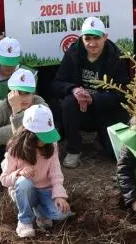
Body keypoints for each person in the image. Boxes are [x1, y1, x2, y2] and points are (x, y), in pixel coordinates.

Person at [51, 17, 129, 168]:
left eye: (96, 38)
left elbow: (121, 93)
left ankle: (102, 138)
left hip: (106, 110)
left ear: (105, 37)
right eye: (87, 38)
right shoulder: (73, 53)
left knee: (117, 156)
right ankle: (74, 149)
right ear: (82, 38)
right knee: (68, 102)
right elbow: (57, 83)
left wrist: (94, 99)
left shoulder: (116, 57)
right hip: (80, 110)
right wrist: (73, 89)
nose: (92, 43)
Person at [0, 104, 71, 238]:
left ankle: (40, 211)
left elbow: (56, 173)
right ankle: (25, 221)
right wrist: (19, 173)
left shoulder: (52, 145)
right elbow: (4, 179)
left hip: (46, 190)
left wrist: (59, 195)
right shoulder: (15, 149)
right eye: (43, 136)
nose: (47, 140)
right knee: (24, 183)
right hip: (25, 191)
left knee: (62, 214)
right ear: (30, 133)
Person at [0, 68, 45, 161]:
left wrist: (17, 117)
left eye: (27, 93)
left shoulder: (39, 104)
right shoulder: (3, 107)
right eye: (18, 93)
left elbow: (41, 134)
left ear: (33, 94)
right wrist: (17, 129)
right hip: (12, 151)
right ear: (10, 94)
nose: (23, 98)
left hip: (36, 154)